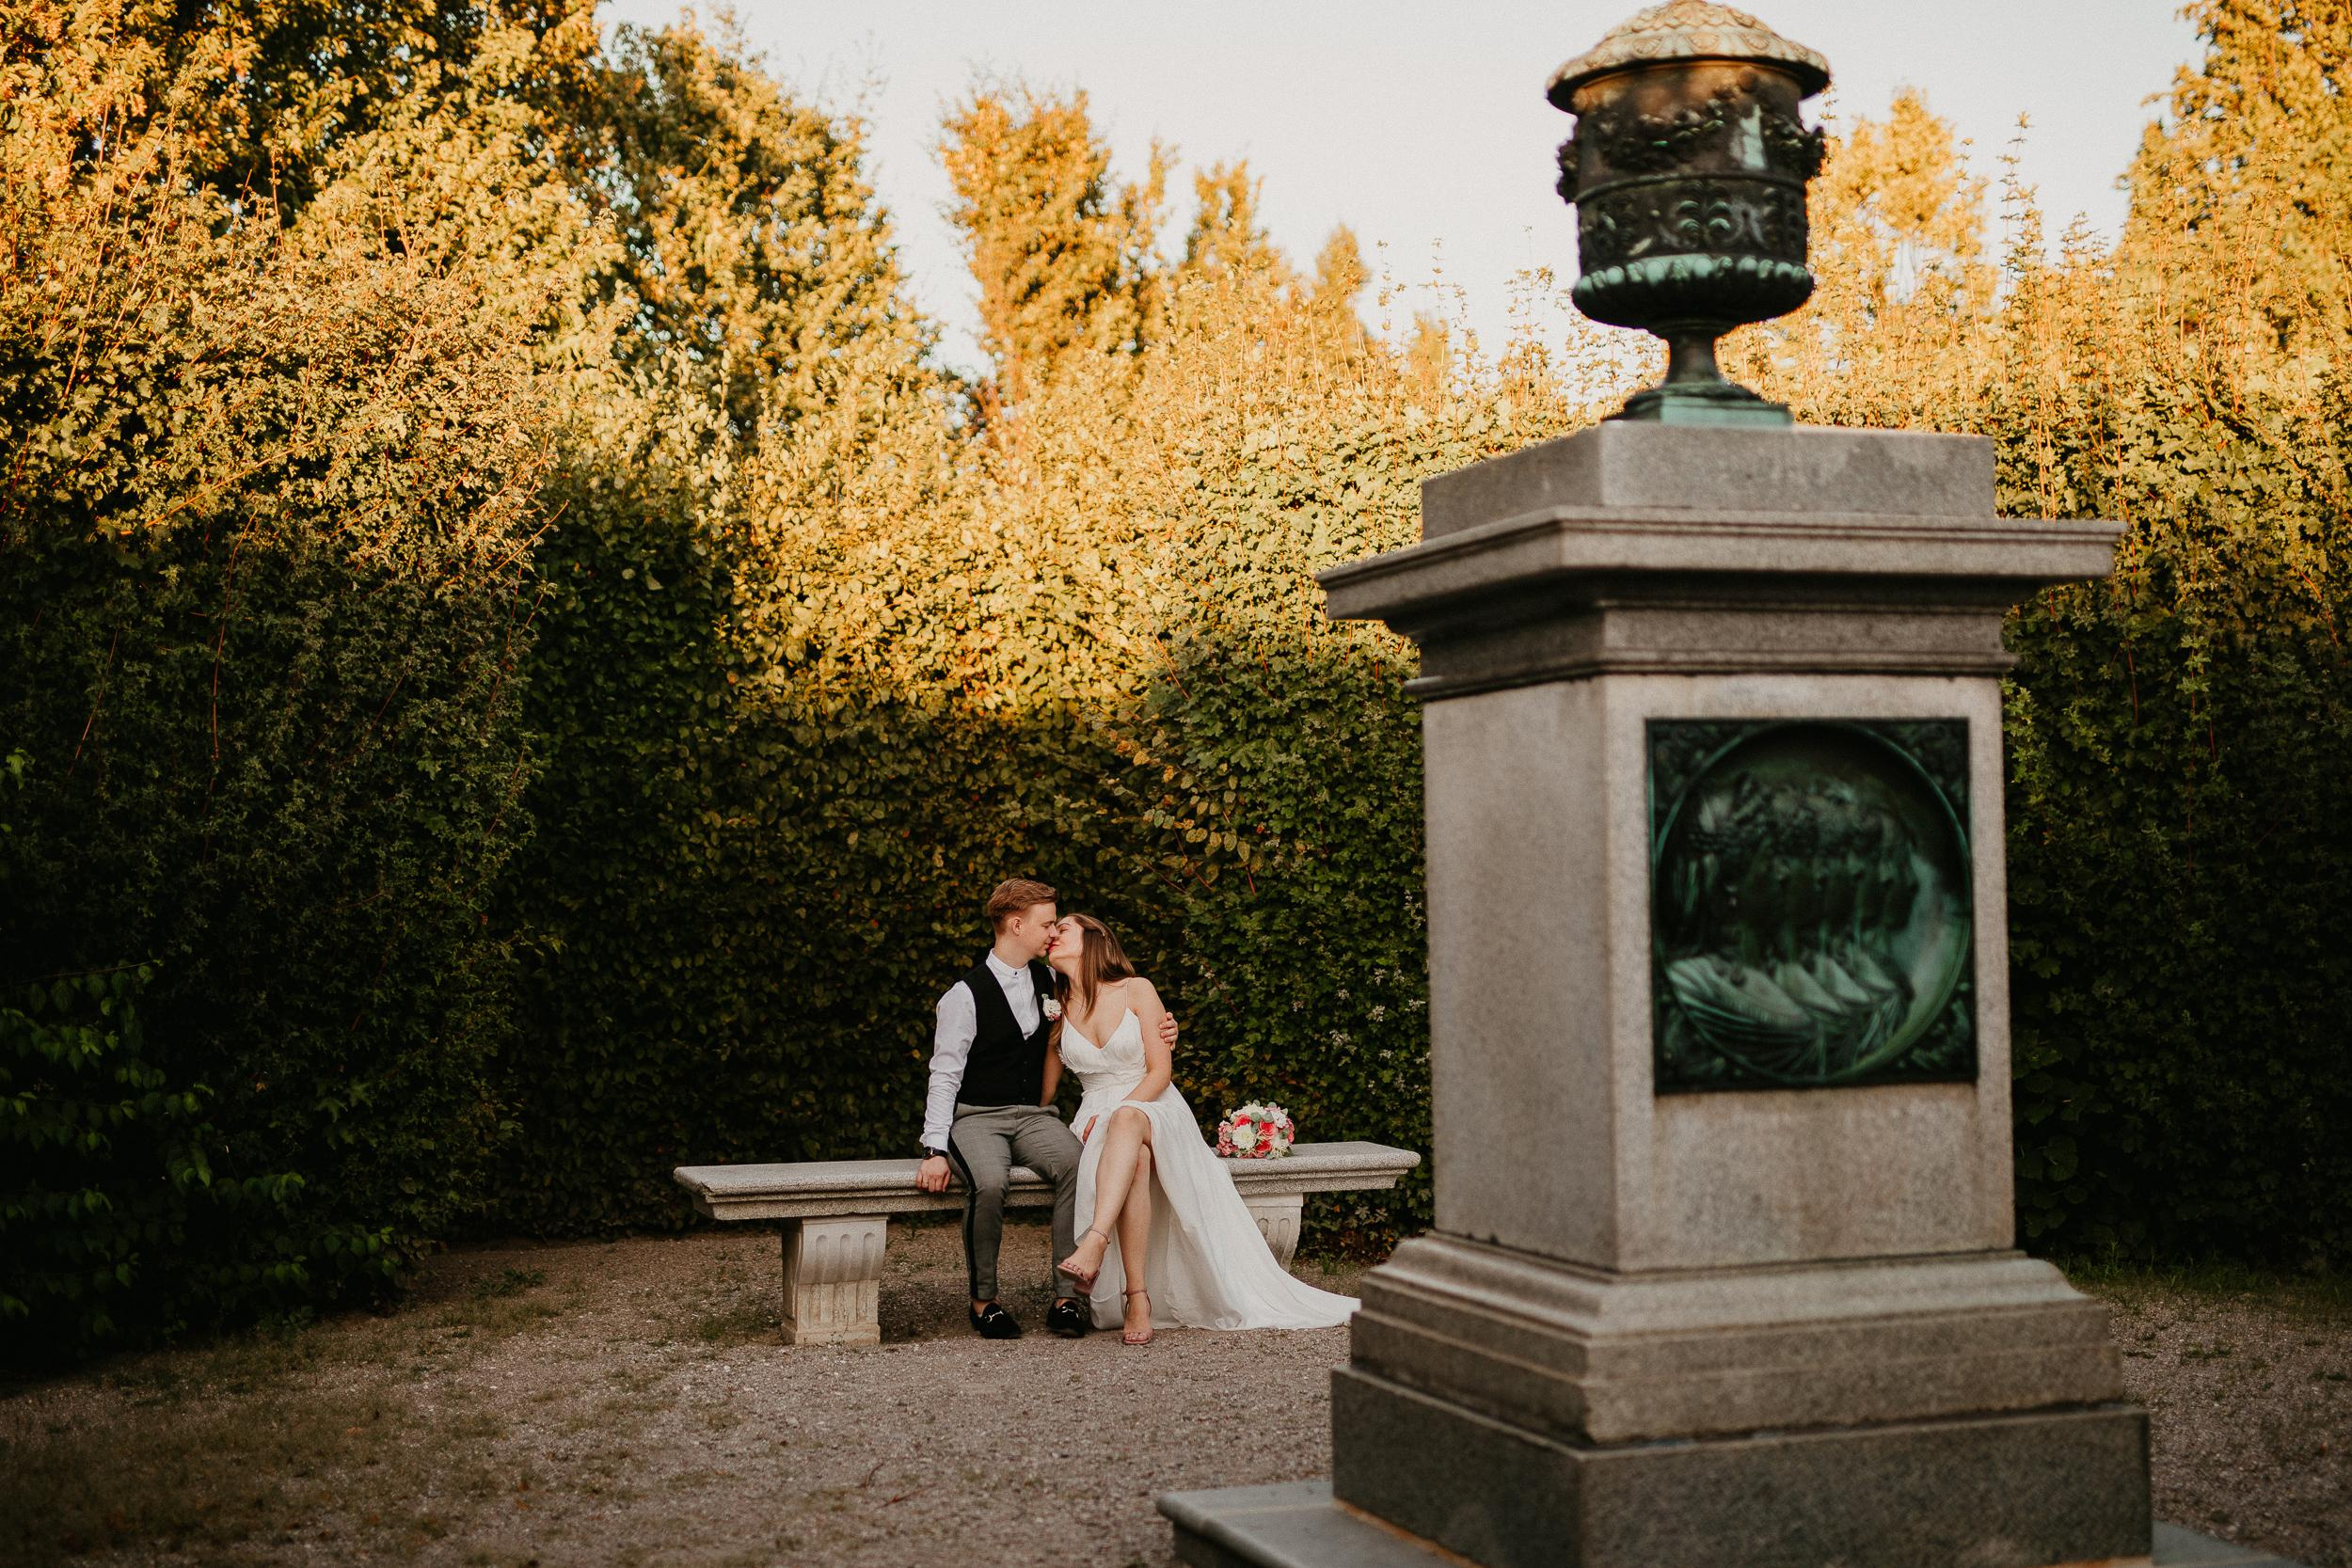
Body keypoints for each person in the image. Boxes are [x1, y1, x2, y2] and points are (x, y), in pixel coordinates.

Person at [1043, 912, 1356, 1344]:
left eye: (1063, 929)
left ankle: (1095, 1241)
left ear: (1094, 939)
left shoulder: (1137, 989)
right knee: (1136, 1158)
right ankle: (1137, 1298)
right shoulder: (1057, 1008)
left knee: (1127, 1119)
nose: (1052, 935)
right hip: (1094, 1118)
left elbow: (1160, 1071)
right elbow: (1043, 1092)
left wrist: (1120, 1109)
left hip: (1152, 1103)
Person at [914, 879, 1176, 1339]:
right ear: (1017, 925)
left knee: (1078, 1164)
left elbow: (1110, 1009)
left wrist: (1166, 1027)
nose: (1053, 932)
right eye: (1047, 923)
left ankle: (1066, 1299)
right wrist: (934, 1149)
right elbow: (944, 1074)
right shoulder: (963, 995)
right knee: (989, 1182)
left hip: (1033, 1116)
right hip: (977, 1116)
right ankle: (984, 1301)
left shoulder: (1054, 983)